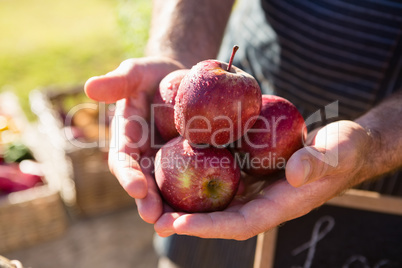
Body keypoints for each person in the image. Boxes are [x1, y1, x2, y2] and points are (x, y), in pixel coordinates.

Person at [85, 0, 402, 266]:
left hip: (380, 182)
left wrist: (375, 143)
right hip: (250, 99)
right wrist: (175, 54)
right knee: (199, 247)